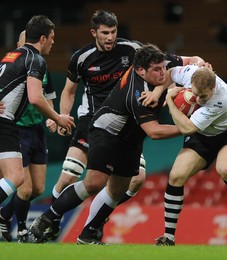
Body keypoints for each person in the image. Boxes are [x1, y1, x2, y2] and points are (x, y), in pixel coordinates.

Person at [45, 9, 206, 241]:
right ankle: (52, 221)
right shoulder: (81, 58)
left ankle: (92, 226)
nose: (110, 37)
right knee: (72, 175)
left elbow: (161, 67)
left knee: (135, 180)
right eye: (105, 32)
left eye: (113, 32)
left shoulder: (132, 50)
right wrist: (62, 115)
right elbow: (69, 91)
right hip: (93, 120)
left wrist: (169, 83)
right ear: (94, 33)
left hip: (129, 121)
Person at [28, 43, 182, 245]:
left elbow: (191, 60)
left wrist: (200, 65)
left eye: (164, 67)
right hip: (107, 133)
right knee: (94, 182)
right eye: (157, 69)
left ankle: (87, 235)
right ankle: (45, 219)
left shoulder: (159, 64)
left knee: (119, 188)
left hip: (131, 139)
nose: (163, 72)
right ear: (140, 71)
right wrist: (189, 127)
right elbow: (154, 131)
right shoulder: (137, 92)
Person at [155, 65, 227, 246]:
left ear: (213, 88)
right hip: (203, 135)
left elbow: (187, 128)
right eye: (195, 93)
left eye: (203, 96)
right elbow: (168, 73)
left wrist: (170, 101)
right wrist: (158, 92)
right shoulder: (190, 73)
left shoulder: (222, 98)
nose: (197, 99)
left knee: (226, 169)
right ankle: (168, 238)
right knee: (176, 176)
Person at [0, 15, 75, 241]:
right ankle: (16, 224)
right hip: (6, 123)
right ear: (43, 38)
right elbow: (35, 97)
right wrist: (58, 118)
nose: (53, 42)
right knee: (15, 177)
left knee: (15, 180)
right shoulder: (35, 60)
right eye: (52, 38)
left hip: (7, 122)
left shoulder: (10, 57)